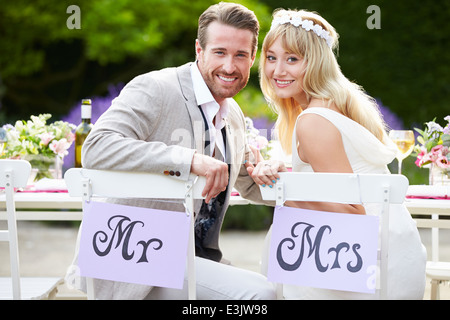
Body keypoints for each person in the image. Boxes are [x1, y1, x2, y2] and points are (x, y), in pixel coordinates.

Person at [66, 2, 275, 300]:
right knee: (259, 295)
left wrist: (275, 174)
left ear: (252, 58)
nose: (230, 66)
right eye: (219, 52)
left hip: (191, 259)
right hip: (133, 257)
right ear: (198, 50)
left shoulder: (234, 115)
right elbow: (96, 147)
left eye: (240, 55)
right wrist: (188, 160)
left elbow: (247, 183)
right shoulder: (156, 88)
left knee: (278, 288)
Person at [250, 9, 427, 299]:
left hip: (365, 262)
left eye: (292, 59)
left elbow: (351, 212)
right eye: (271, 57)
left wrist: (284, 189)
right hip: (397, 250)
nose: (277, 71)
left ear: (316, 62)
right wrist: (291, 173)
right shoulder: (340, 102)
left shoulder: (313, 120)